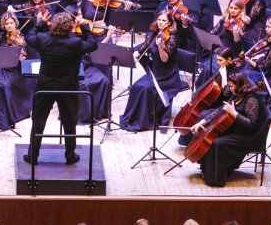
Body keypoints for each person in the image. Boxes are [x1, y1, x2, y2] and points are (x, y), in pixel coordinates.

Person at [25, 12, 106, 165]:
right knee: (69, 123)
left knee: (38, 122)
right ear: (70, 27)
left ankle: (32, 156)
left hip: (45, 87)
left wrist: (41, 22)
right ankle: (70, 156)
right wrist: (83, 25)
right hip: (67, 87)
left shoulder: (43, 39)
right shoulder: (75, 42)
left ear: (53, 25)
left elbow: (29, 37)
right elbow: (93, 44)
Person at [119, 12, 182, 132]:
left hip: (167, 76)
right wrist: (132, 58)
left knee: (145, 88)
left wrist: (160, 46)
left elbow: (165, 59)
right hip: (155, 72)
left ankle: (142, 122)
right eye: (159, 20)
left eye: (164, 21)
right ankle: (132, 118)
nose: (161, 23)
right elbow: (142, 48)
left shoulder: (172, 38)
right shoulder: (154, 35)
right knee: (136, 86)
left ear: (169, 23)